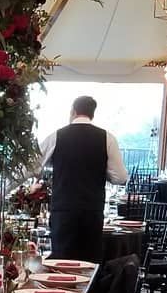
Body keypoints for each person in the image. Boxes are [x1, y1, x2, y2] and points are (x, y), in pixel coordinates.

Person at [38, 94, 128, 262]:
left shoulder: (57, 136)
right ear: (93, 114)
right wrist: (101, 170)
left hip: (63, 213)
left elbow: (30, 167)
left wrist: (1, 190)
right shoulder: (107, 138)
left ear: (73, 111)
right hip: (91, 212)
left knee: (61, 264)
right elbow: (120, 177)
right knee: (88, 264)